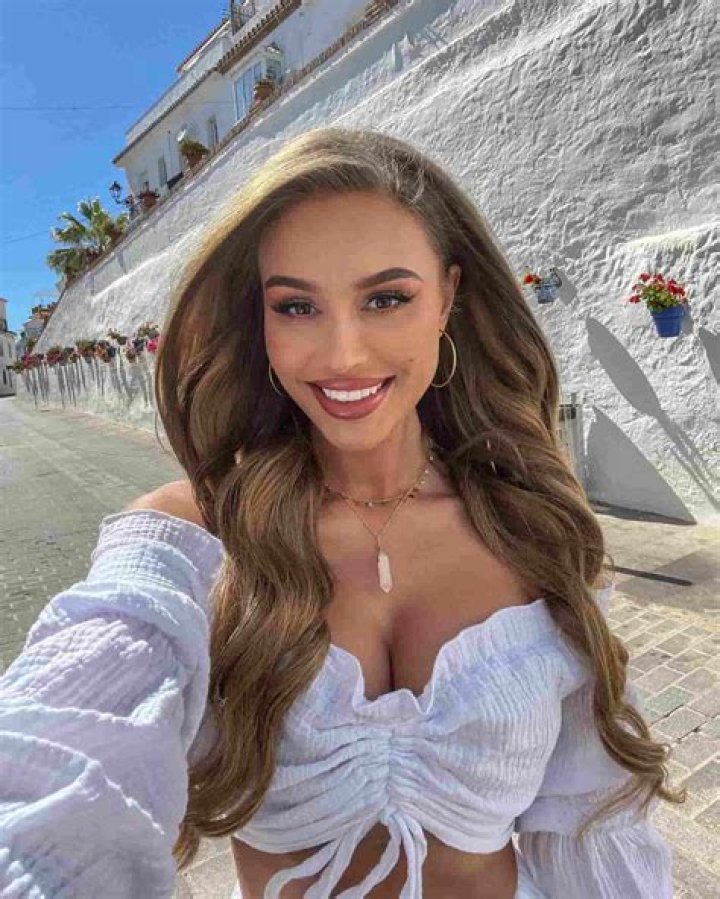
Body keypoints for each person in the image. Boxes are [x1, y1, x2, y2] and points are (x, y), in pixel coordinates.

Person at [0, 128, 684, 898]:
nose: (343, 354)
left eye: (386, 298)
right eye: (297, 306)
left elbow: (596, 820)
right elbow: (59, 765)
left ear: (448, 297)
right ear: (260, 321)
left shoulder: (531, 525)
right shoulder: (193, 538)